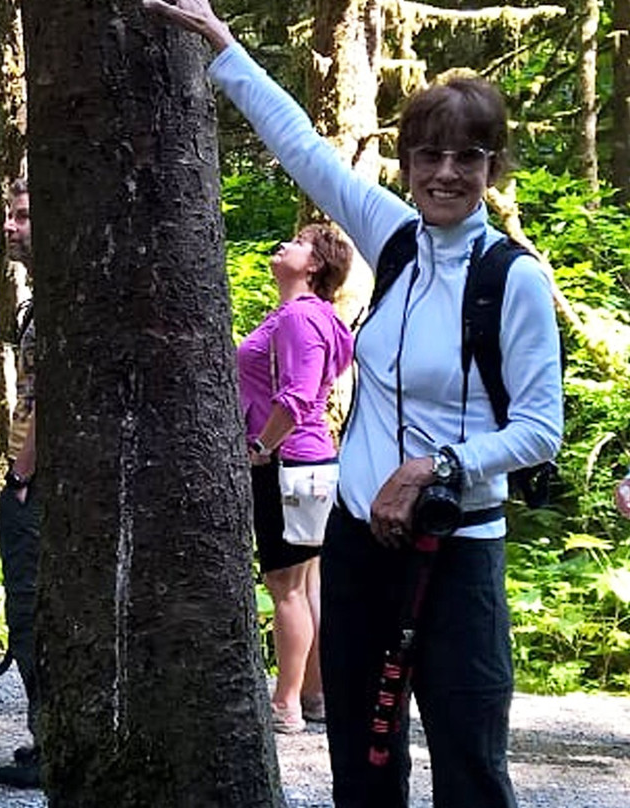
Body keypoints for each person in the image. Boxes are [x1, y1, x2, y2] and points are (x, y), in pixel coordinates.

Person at [144, 3, 562, 806]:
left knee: (470, 764)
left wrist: (438, 465)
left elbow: (541, 430)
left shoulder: (513, 280)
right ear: (408, 163)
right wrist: (223, 44)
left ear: (493, 167)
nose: (446, 173)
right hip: (358, 543)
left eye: (467, 157)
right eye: (429, 155)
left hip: (458, 549)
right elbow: (302, 148)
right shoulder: (395, 238)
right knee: (362, 765)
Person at [239, 224, 354, 734]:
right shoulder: (311, 316)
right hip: (308, 464)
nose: (285, 245)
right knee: (307, 582)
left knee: (285, 585)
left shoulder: (300, 317)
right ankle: (314, 694)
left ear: (315, 265)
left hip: (289, 464)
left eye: (300, 243)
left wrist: (262, 446)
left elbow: (300, 395)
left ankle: (284, 704)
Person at [0, 177, 43, 790]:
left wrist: (24, 472)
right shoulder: (40, 297)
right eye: (10, 214)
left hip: (39, 481)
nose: (10, 225)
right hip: (33, 473)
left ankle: (52, 739)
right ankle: (46, 732)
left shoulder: (60, 300)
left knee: (31, 609)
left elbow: (52, 394)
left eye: (23, 215)